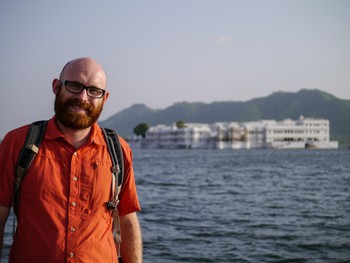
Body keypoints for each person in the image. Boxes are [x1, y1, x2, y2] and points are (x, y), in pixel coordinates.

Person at [0, 57, 142, 262]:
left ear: (105, 97)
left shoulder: (118, 150)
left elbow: (127, 219)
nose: (83, 97)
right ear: (56, 86)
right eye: (75, 86)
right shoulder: (17, 143)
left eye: (94, 90)